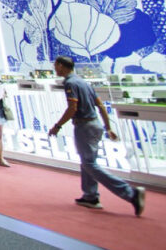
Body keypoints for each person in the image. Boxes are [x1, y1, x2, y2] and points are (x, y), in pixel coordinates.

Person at [48, 56, 146, 215]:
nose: (54, 68)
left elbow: (72, 108)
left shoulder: (70, 83)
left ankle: (130, 193)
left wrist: (57, 126)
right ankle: (90, 196)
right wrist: (108, 127)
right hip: (95, 125)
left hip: (84, 126)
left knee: (89, 164)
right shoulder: (83, 82)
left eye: (55, 65)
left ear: (60, 65)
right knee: (87, 162)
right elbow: (100, 105)